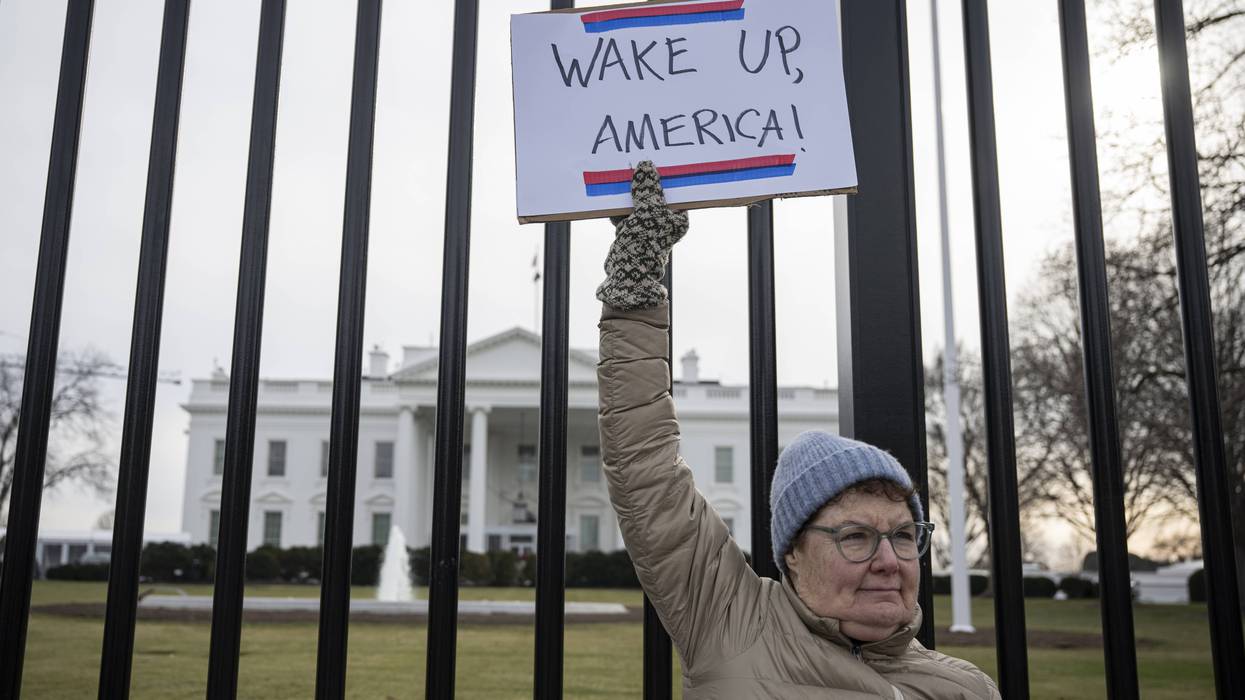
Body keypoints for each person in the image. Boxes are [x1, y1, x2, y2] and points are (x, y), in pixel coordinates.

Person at [595, 161, 1001, 699]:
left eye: (904, 535)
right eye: (856, 536)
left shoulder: (968, 688)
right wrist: (636, 294)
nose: (889, 561)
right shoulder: (731, 624)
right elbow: (644, 470)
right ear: (792, 552)